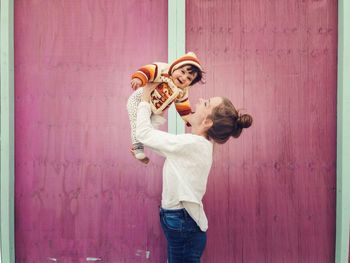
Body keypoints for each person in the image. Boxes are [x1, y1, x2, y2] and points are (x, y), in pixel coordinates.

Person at [136, 83, 253, 263]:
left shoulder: (192, 144)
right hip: (181, 222)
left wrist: (145, 100)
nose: (200, 100)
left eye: (206, 103)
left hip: (182, 223)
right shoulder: (196, 145)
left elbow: (144, 134)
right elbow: (154, 142)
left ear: (207, 122)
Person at [127, 52, 204, 164]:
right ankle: (137, 147)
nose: (183, 78)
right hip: (139, 100)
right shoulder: (164, 71)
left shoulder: (182, 92)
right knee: (136, 122)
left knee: (151, 133)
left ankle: (154, 149)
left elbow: (183, 107)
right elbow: (150, 70)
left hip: (156, 111)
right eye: (182, 72)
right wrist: (140, 78)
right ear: (175, 67)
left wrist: (190, 119)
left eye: (189, 78)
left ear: (190, 83)